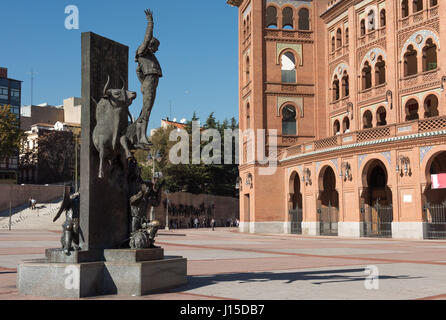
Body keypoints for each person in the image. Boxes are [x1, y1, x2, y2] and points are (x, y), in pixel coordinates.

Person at [134, 9, 163, 148]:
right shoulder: (143, 51)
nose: (157, 50)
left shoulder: (148, 57)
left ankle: (141, 137)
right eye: (156, 47)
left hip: (149, 83)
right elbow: (147, 36)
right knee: (146, 110)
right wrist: (150, 21)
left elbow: (138, 71)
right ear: (151, 44)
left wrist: (143, 84)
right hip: (149, 82)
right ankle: (141, 137)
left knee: (147, 109)